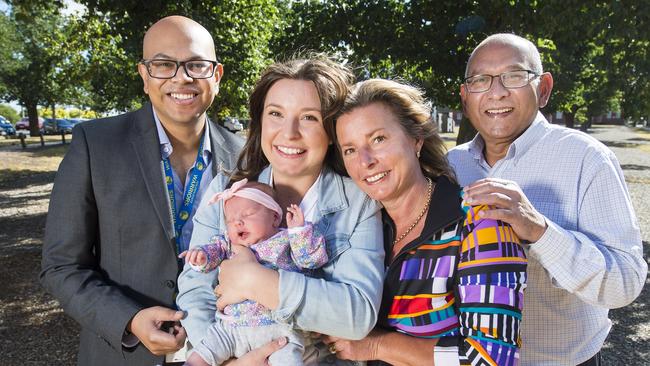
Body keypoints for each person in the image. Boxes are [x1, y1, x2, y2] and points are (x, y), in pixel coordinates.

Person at [39, 16, 251, 365]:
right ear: (144, 76)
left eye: (197, 65)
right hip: (126, 354)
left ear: (217, 75)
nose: (182, 77)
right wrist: (129, 319)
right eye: (164, 65)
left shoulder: (248, 157)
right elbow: (61, 266)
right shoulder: (95, 145)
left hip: (230, 352)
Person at [447, 33, 648, 365]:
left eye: (514, 76)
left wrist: (540, 231)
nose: (496, 92)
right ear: (466, 96)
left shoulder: (587, 158)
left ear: (543, 89)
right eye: (481, 80)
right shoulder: (451, 166)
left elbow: (625, 284)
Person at [177, 56, 385, 365]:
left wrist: (253, 280)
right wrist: (230, 361)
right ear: (260, 121)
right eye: (276, 113)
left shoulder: (360, 202)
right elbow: (195, 294)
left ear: (332, 131)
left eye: (309, 118)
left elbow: (356, 315)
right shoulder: (225, 190)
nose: (289, 133)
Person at [327, 78, 527, 365]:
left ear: (416, 138)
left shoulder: (481, 223)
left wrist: (375, 346)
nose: (365, 160)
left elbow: (491, 358)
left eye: (378, 139)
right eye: (350, 149)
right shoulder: (354, 227)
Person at [180, 179, 328, 366]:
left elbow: (311, 260)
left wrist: (300, 231)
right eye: (230, 220)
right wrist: (201, 257)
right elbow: (212, 254)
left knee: (289, 357)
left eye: (247, 214)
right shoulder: (228, 245)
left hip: (278, 328)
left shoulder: (286, 239)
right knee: (199, 355)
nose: (237, 222)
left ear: (275, 217)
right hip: (231, 327)